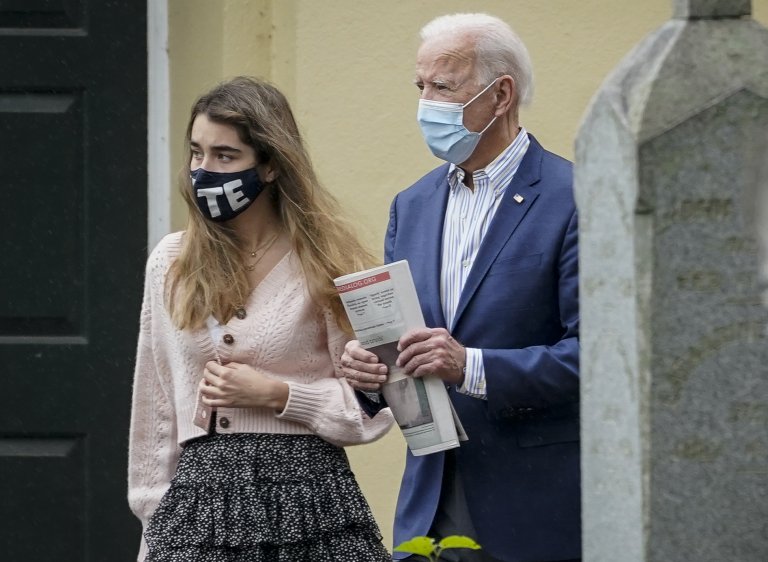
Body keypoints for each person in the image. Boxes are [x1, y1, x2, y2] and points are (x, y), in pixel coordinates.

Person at [342, 13, 581, 562]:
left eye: (443, 86)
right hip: (430, 505)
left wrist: (469, 365)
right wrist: (371, 373)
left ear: (500, 96)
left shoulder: (573, 197)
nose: (426, 103)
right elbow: (405, 345)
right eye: (420, 86)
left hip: (536, 511)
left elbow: (598, 359)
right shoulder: (412, 205)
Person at [127, 76, 395, 561]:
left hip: (310, 501)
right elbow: (157, 405)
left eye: (225, 156)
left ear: (270, 165)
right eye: (197, 153)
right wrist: (154, 526)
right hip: (198, 507)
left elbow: (370, 408)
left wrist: (279, 395)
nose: (204, 170)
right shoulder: (171, 262)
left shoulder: (330, 261)